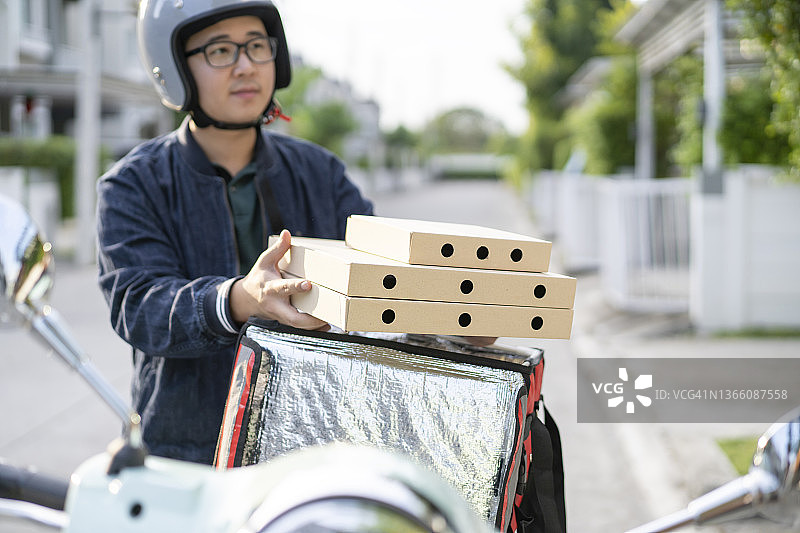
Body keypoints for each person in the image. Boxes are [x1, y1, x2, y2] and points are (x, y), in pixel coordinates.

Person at [96, 0, 373, 464]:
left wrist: (453, 321)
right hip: (187, 454)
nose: (245, 66)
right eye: (221, 51)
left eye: (257, 47)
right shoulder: (133, 185)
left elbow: (379, 275)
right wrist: (238, 298)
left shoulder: (320, 172)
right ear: (174, 66)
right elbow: (140, 306)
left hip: (317, 450)